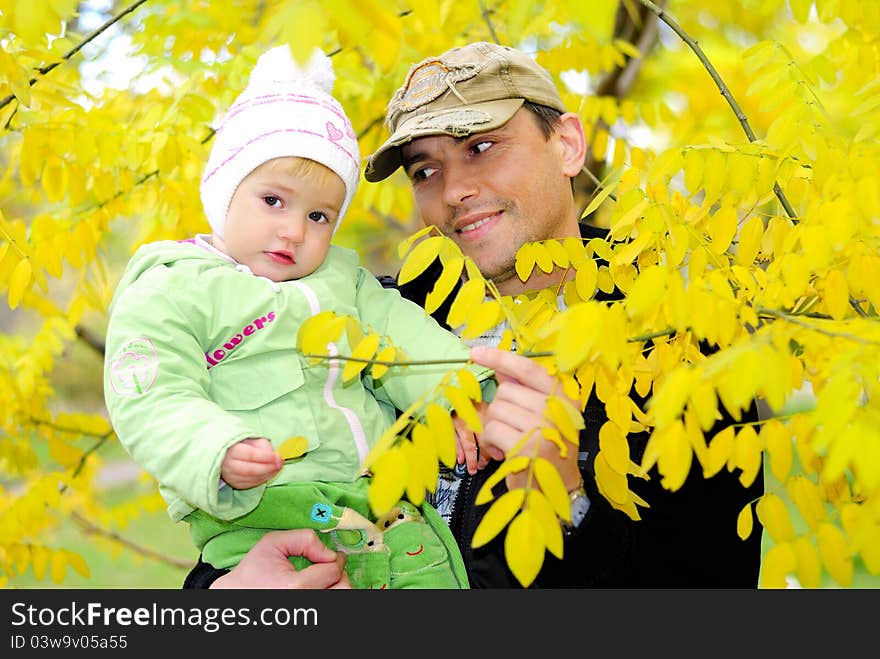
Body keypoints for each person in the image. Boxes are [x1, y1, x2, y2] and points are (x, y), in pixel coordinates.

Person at [184, 41, 764, 589]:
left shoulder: (673, 339)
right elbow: (254, 508)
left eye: (481, 146)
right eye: (424, 170)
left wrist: (570, 506)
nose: (455, 189)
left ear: (566, 144)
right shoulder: (365, 326)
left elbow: (717, 581)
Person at [103, 45, 496, 590]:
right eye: (273, 201)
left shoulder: (344, 282)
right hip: (267, 509)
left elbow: (403, 337)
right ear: (224, 192)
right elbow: (152, 394)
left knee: (429, 574)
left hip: (381, 504)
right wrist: (215, 448)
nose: (294, 230)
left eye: (318, 216)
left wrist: (458, 392)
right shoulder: (173, 288)